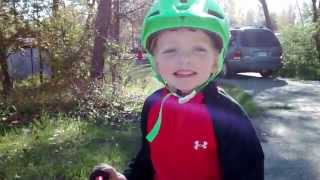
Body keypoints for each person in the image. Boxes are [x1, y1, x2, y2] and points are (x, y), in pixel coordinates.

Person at [90, 0, 264, 180]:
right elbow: (147, 162)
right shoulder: (153, 105)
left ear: (215, 60)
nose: (184, 59)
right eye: (170, 50)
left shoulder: (230, 117)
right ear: (155, 60)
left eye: (199, 50)